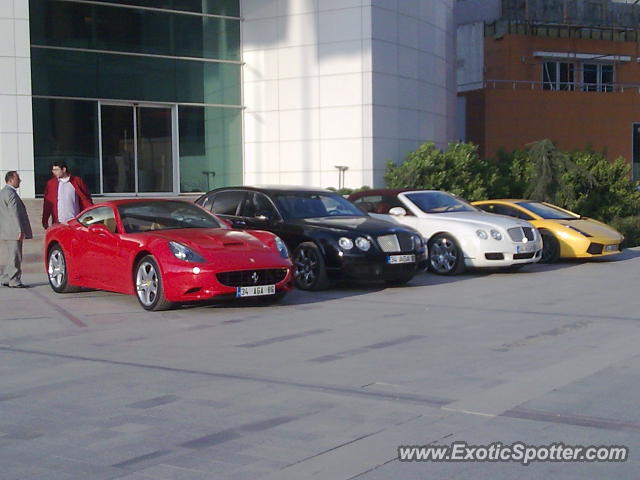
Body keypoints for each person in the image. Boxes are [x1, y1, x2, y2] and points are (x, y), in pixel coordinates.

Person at [0, 171, 33, 288]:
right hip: (13, 230)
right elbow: (14, 213)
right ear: (11, 179)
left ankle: (5, 277)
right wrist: (19, 230)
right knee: (16, 256)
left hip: (6, 230)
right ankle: (14, 280)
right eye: (18, 178)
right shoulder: (11, 194)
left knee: (11, 256)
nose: (20, 181)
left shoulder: (3, 192)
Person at [42, 162, 93, 229]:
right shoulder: (51, 184)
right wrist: (45, 220)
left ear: (64, 169)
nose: (54, 172)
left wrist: (91, 215)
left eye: (56, 170)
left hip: (75, 222)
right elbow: (47, 204)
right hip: (58, 223)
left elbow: (86, 199)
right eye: (53, 170)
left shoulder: (77, 181)